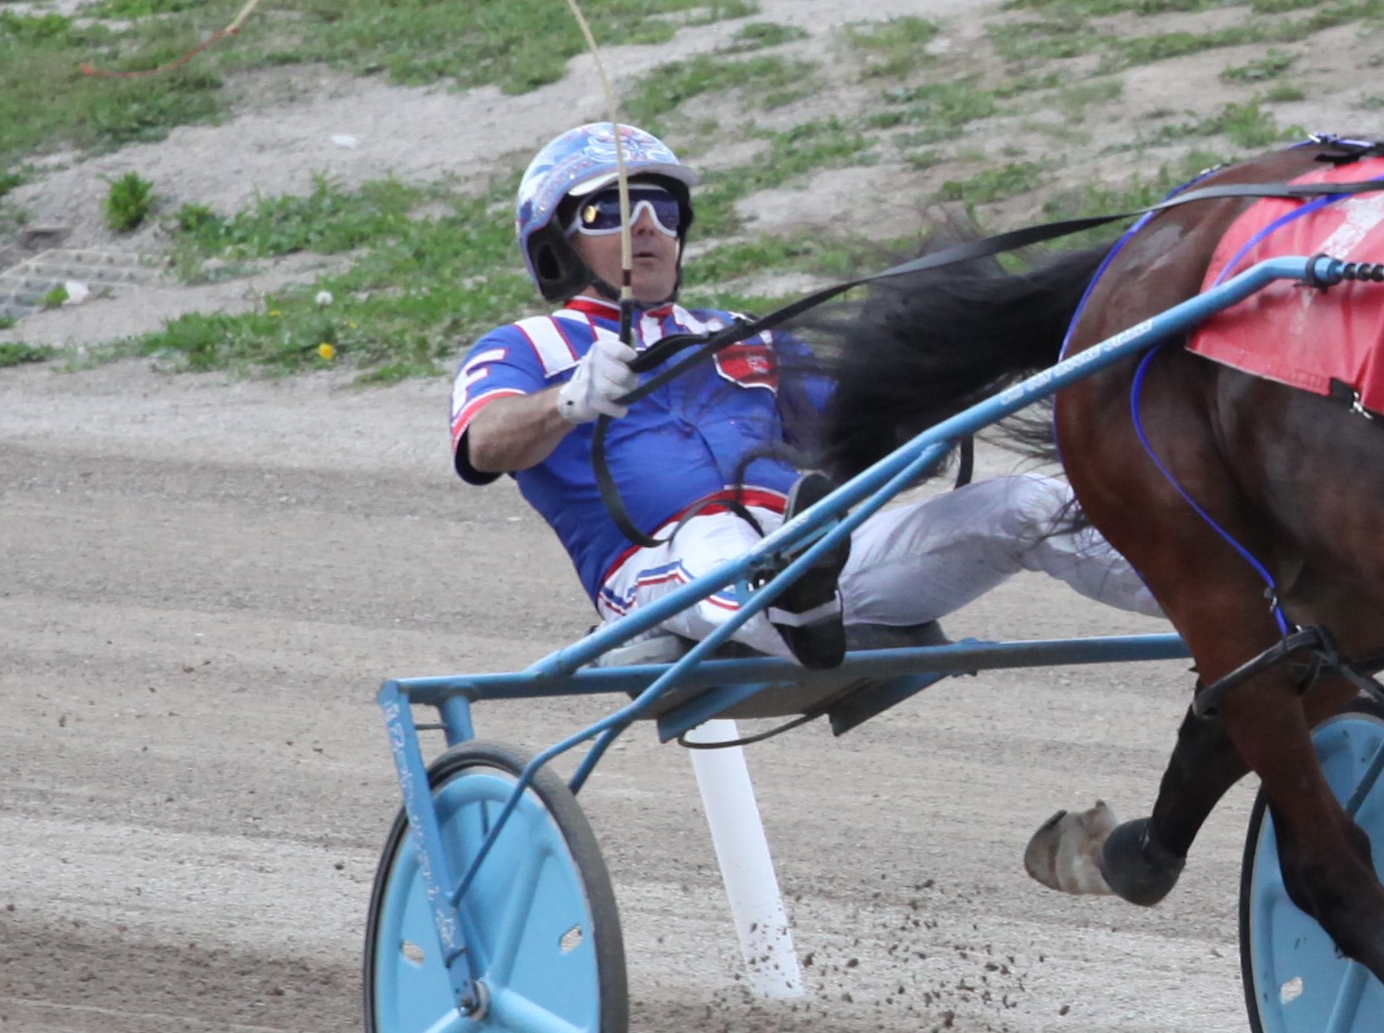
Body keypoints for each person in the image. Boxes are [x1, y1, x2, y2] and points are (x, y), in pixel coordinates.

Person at [450, 122, 1159, 666]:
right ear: (556, 248)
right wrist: (565, 401)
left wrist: (937, 378)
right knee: (715, 534)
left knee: (1025, 505)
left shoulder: (745, 334)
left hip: (816, 552)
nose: (647, 225)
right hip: (662, 575)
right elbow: (484, 443)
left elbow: (855, 434)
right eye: (610, 210)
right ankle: (789, 604)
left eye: (663, 209)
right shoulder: (525, 348)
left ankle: (1246, 612)